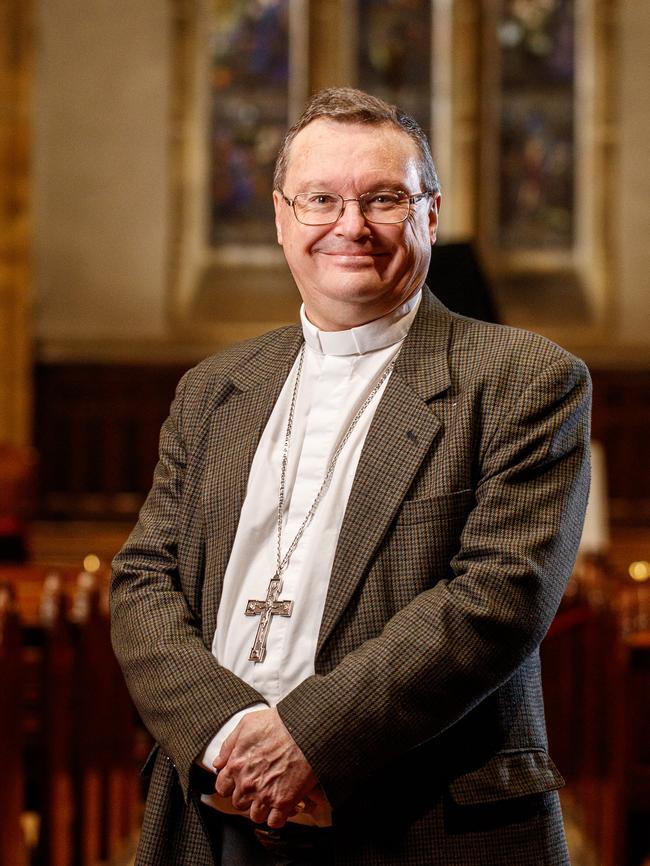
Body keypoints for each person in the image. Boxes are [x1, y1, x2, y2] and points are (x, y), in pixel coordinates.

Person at [111, 87, 591, 866]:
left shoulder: (523, 379)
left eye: (384, 199)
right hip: (213, 813)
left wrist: (305, 736)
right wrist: (230, 733)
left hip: (421, 820)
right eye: (321, 198)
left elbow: (499, 596)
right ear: (280, 218)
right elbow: (144, 579)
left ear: (430, 214)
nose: (351, 226)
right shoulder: (215, 387)